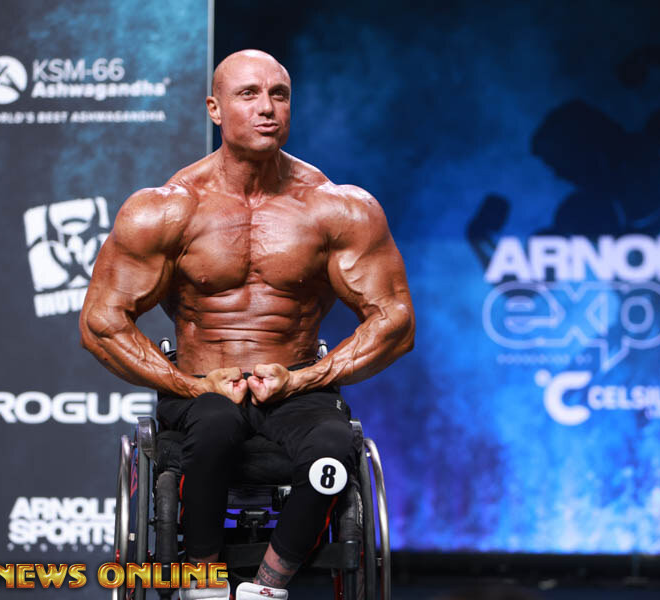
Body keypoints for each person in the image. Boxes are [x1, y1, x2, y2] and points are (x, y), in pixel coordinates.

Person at [79, 49, 414, 600]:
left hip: (297, 387)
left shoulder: (337, 209)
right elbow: (101, 322)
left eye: (279, 95)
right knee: (215, 425)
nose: (267, 108)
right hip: (201, 388)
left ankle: (268, 586)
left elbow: (395, 319)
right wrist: (190, 385)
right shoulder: (167, 209)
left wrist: (306, 377)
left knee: (334, 446)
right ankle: (204, 579)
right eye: (248, 94)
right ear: (214, 108)